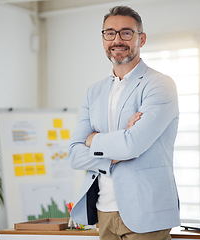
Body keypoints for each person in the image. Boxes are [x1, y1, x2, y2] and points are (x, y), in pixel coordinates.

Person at [68, 5, 180, 240]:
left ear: (142, 38)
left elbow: (132, 146)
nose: (117, 39)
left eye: (126, 32)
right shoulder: (94, 91)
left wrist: (93, 140)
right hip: (104, 211)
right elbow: (75, 154)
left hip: (147, 211)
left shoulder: (159, 84)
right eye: (110, 33)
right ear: (103, 39)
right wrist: (121, 139)